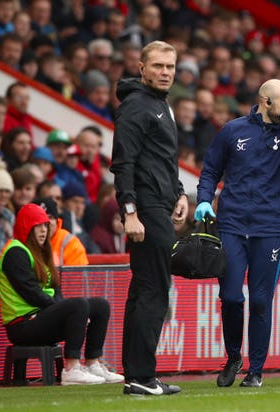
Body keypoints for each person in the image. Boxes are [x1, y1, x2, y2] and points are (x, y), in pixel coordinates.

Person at [195, 78, 280, 388]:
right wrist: (205, 200)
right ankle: (234, 356)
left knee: (261, 300)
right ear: (266, 101)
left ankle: (256, 370)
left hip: (269, 227)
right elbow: (210, 170)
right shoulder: (233, 130)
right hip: (231, 223)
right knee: (231, 296)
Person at [110, 40, 187, 396]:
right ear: (142, 68)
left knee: (145, 290)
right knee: (153, 290)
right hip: (146, 208)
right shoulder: (137, 106)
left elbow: (162, 160)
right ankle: (142, 375)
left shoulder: (158, 104)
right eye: (157, 66)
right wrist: (130, 212)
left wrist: (180, 193)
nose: (165, 73)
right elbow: (122, 163)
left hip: (158, 203)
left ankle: (138, 375)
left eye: (169, 67)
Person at [0, 203, 123, 385]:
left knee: (100, 305)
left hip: (39, 317)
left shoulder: (41, 251)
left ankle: (93, 363)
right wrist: (65, 311)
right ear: (26, 226)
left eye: (45, 226)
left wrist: (71, 313)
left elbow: (55, 290)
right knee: (79, 305)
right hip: (22, 324)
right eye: (37, 226)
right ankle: (71, 369)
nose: (43, 231)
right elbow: (31, 293)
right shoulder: (15, 252)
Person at [33, 197, 88, 266]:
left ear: (57, 220)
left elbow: (78, 275)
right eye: (39, 218)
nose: (45, 223)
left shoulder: (70, 243)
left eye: (50, 217)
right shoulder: (23, 242)